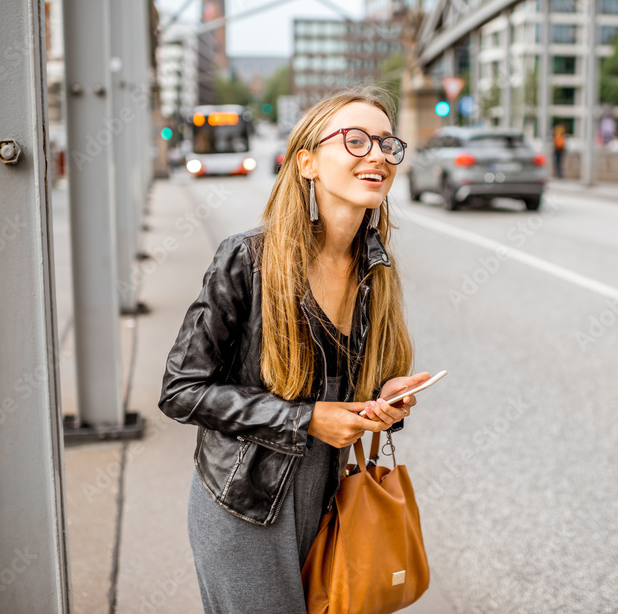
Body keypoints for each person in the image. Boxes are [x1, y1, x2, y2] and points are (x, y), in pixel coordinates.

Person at [159, 88, 430, 613]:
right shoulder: (247, 259)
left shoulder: (375, 272)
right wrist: (306, 419)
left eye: (385, 143)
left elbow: (340, 392)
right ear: (306, 162)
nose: (376, 154)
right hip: (246, 501)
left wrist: (382, 401)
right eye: (355, 140)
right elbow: (181, 391)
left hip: (331, 497)